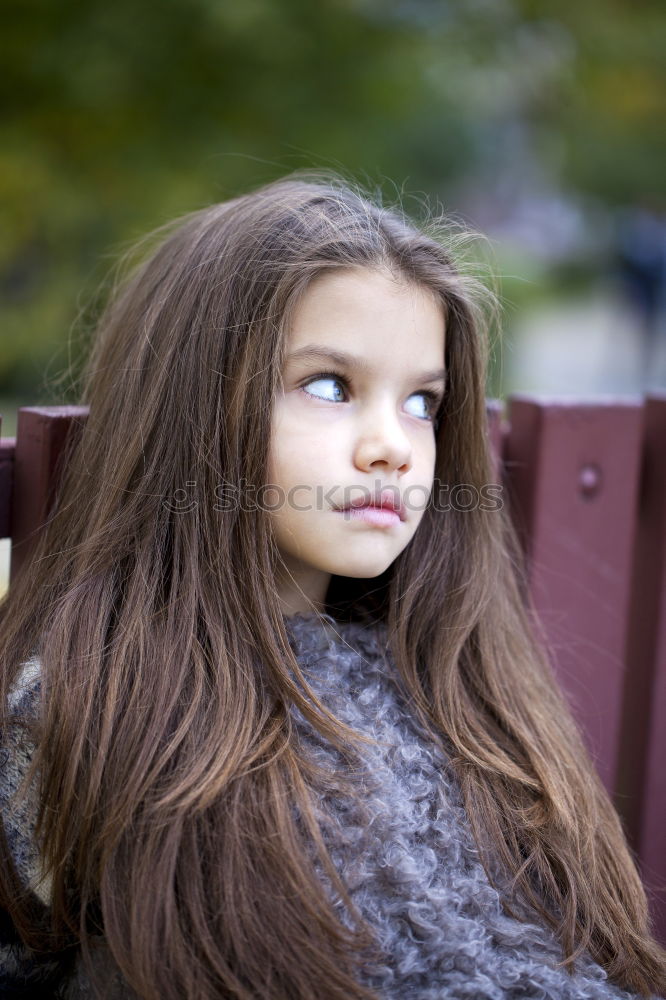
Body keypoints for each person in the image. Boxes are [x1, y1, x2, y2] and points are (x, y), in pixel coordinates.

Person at [0, 173, 664, 999]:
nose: (392, 445)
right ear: (198, 407)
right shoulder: (94, 706)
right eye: (329, 386)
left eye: (423, 401)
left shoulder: (462, 686)